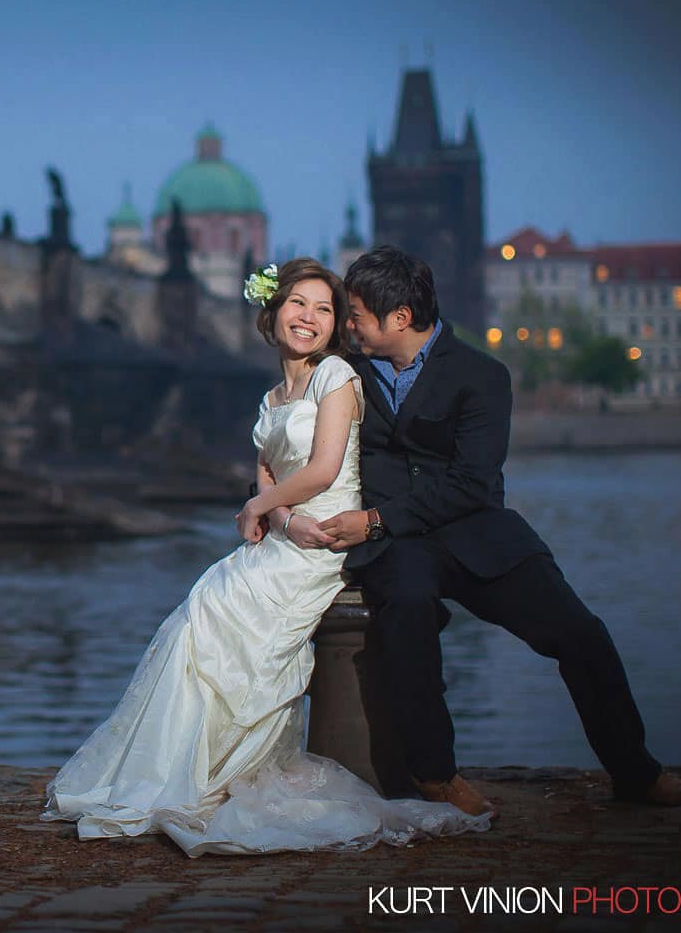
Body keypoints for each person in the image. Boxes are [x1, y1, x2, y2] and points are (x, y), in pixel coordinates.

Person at [42, 258, 491, 855]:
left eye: (325, 310)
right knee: (199, 611)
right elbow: (265, 474)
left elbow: (324, 468)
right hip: (291, 532)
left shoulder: (336, 375)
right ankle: (190, 768)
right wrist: (277, 516)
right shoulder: (271, 397)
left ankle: (214, 768)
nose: (309, 318)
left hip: (328, 538)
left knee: (225, 608)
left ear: (335, 329)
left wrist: (264, 512)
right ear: (273, 312)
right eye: (298, 304)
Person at [317, 246, 681, 817]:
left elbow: (472, 485)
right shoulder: (344, 373)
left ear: (399, 317)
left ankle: (635, 771)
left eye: (355, 315)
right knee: (408, 609)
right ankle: (436, 775)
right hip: (397, 545)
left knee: (580, 632)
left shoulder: (482, 376)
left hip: (471, 531)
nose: (347, 325)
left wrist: (374, 519)